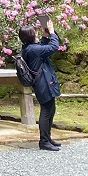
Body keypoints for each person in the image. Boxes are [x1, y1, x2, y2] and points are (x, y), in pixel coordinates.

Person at [19, 19, 62, 151]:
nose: (36, 33)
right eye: (35, 32)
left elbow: (42, 49)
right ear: (31, 36)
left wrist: (45, 36)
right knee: (46, 110)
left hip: (42, 82)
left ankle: (47, 138)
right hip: (43, 83)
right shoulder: (34, 49)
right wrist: (52, 33)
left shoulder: (28, 48)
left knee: (51, 109)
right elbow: (53, 47)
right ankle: (44, 141)